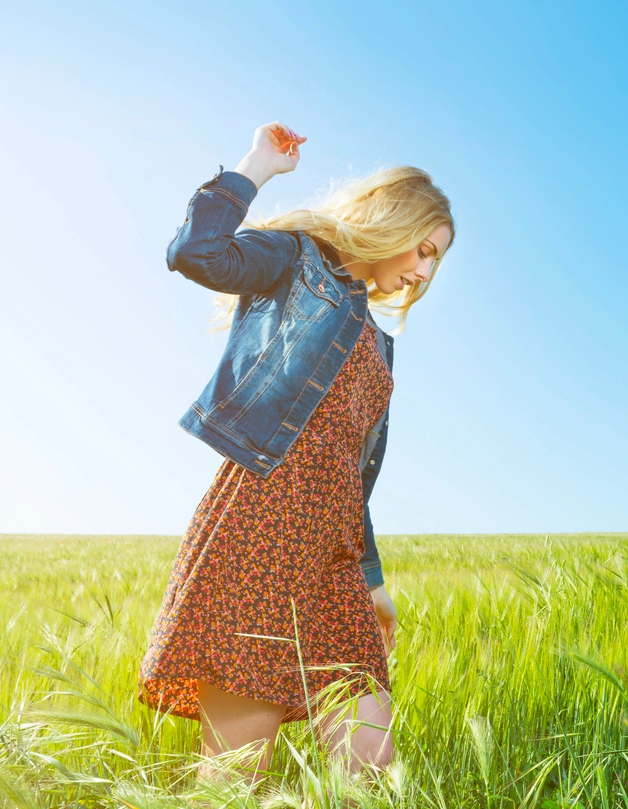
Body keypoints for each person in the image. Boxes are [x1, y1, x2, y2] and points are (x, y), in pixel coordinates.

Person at [137, 122, 454, 783]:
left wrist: (374, 582)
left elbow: (351, 476)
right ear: (391, 220)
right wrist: (255, 166)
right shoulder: (298, 263)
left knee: (367, 773)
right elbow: (195, 251)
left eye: (436, 260)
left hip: (335, 555)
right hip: (265, 529)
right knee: (235, 774)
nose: (424, 270)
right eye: (422, 248)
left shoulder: (379, 340)